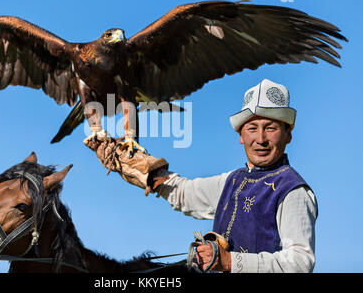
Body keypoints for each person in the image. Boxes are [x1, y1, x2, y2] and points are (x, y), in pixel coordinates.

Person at [86, 78, 318, 273]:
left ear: (288, 134)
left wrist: (229, 261)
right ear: (240, 136)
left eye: (270, 127)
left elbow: (300, 262)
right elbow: (185, 193)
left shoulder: (293, 190)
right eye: (252, 128)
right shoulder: (232, 181)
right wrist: (142, 169)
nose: (260, 138)